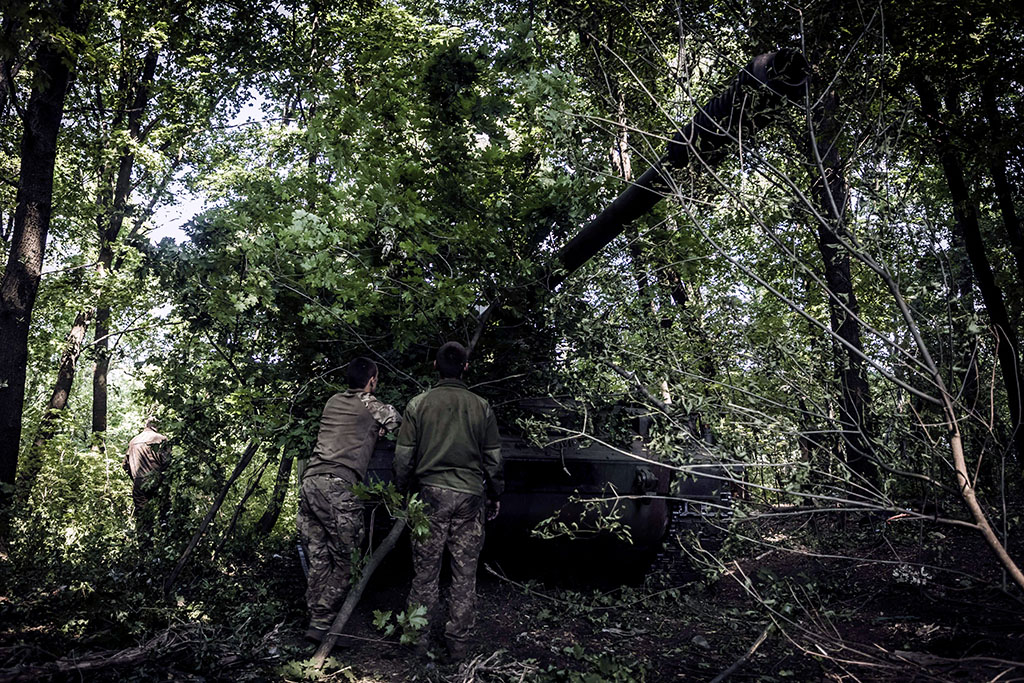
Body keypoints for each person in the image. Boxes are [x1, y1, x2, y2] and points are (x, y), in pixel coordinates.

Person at [394, 341, 503, 661]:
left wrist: (401, 490)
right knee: (464, 574)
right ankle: (459, 645)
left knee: (425, 573)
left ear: (435, 367)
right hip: (470, 498)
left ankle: (417, 641)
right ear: (466, 367)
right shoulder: (481, 406)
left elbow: (403, 457)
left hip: (430, 496)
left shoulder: (418, 405)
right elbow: (494, 460)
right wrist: (495, 494)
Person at [297, 357, 402, 642]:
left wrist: (373, 429)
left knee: (319, 558)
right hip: (337, 487)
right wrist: (381, 427)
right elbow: (397, 421)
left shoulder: (332, 402)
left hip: (310, 483)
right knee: (348, 558)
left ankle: (319, 623)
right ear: (372, 381)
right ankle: (324, 617)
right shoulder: (370, 404)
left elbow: (350, 428)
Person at [123, 416, 171, 524]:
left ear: (146, 425)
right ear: (157, 426)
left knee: (142, 513)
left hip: (139, 480)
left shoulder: (133, 441)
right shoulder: (161, 439)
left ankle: (145, 533)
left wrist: (135, 478)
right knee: (164, 508)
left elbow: (125, 465)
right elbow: (167, 461)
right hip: (158, 478)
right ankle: (165, 529)